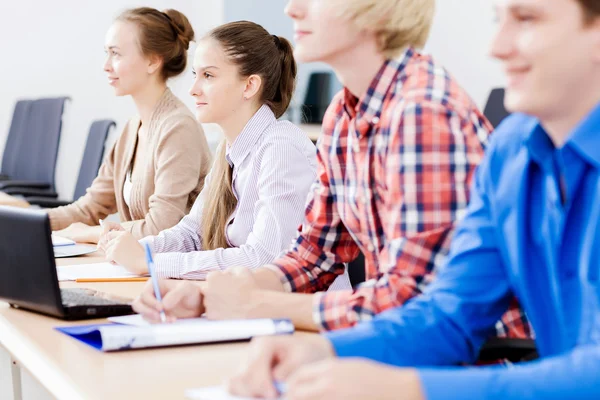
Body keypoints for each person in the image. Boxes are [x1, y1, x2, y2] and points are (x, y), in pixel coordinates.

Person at [225, 0, 600, 399]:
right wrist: (322, 350)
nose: (496, 46)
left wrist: (408, 388)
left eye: (527, 19)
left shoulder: (427, 109)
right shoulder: (512, 150)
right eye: (497, 20)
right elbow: (449, 312)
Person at [132, 0, 529, 343]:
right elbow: (314, 255)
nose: (292, 9)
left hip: (476, 362)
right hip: (400, 343)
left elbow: (411, 303)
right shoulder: (343, 113)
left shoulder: (421, 112)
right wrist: (216, 295)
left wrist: (260, 303)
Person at [99, 21, 332, 285]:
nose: (193, 89)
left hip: (302, 314)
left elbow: (264, 260)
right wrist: (140, 248)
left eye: (208, 76)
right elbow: (192, 233)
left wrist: (149, 262)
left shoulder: (281, 148)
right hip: (251, 305)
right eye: (195, 75)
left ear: (249, 86)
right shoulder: (229, 149)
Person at [51, 7, 211, 244]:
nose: (106, 65)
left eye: (116, 54)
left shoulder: (178, 128)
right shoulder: (132, 129)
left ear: (152, 61)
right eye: (107, 53)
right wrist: (29, 223)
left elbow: (160, 228)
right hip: (138, 267)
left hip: (172, 273)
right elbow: (89, 209)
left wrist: (89, 233)